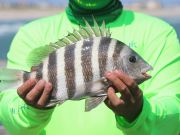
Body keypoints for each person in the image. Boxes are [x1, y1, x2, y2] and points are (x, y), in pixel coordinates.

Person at [0, 0, 179, 135]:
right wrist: (34, 109)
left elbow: (174, 116)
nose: (137, 64)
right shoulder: (30, 33)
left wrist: (138, 113)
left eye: (132, 60)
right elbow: (9, 115)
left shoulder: (159, 33)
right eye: (132, 60)